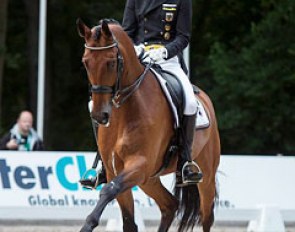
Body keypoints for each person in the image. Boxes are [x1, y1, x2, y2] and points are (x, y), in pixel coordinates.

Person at [80, 0, 203, 189]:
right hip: (137, 57)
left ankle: (185, 162)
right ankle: (103, 166)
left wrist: (165, 51)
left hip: (167, 60)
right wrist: (134, 49)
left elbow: (183, 36)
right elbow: (127, 32)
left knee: (190, 102)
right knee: (96, 104)